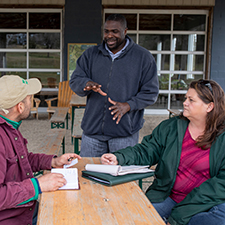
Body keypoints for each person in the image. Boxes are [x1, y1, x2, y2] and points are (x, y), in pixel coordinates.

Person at [101, 79, 225, 225]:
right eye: (186, 98)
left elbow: (221, 185)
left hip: (204, 203)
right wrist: (119, 157)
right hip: (168, 197)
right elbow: (147, 150)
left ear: (209, 106)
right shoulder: (171, 127)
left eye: (191, 100)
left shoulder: (222, 137)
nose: (184, 102)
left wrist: (179, 217)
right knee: (131, 217)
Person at [69, 14, 159, 157]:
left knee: (121, 178)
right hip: (92, 134)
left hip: (124, 134)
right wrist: (86, 84)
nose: (109, 35)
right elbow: (75, 80)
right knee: (90, 176)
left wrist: (128, 105)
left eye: (115, 31)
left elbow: (151, 93)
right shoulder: (91, 54)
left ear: (125, 31)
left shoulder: (143, 57)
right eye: (106, 31)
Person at [0, 75, 81, 225]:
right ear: (20, 107)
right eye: (30, 98)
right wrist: (37, 185)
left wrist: (53, 161)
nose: (32, 102)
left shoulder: (10, 127)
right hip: (11, 218)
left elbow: (23, 159)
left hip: (25, 209)